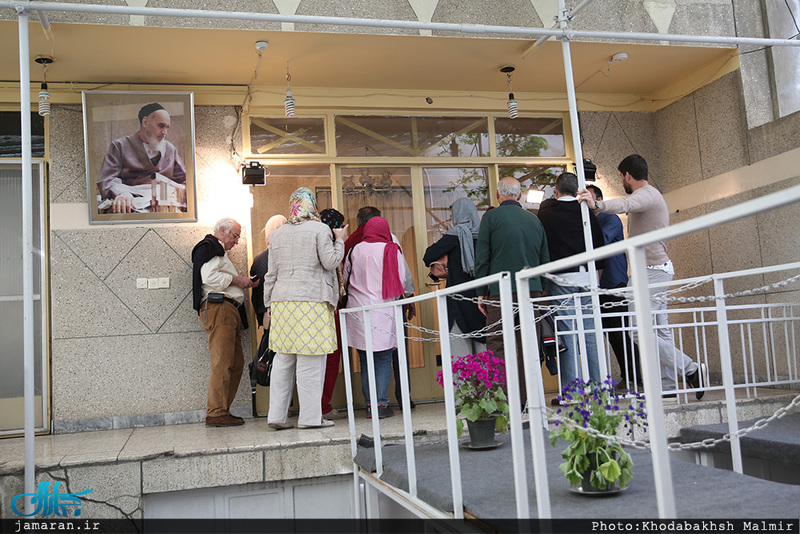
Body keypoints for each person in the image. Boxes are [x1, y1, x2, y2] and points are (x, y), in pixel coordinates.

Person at [577, 154, 705, 399]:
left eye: (620, 176)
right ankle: (668, 387)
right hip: (655, 270)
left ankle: (691, 369)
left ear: (627, 175)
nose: (621, 181)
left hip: (650, 272)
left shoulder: (647, 194)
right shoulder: (651, 195)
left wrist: (597, 205)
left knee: (638, 331)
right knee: (659, 330)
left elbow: (626, 205)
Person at [263, 188, 348, 429]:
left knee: (283, 359)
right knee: (311, 360)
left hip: (282, 303)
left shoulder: (278, 235)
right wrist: (340, 239)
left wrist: (268, 304)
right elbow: (330, 261)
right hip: (312, 301)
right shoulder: (319, 229)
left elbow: (271, 275)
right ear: (312, 205)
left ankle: (276, 416)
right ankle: (310, 418)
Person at [474, 176, 550, 408]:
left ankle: (502, 401)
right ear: (519, 196)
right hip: (532, 290)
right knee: (528, 343)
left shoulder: (491, 217)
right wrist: (540, 288)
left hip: (501, 290)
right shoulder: (534, 220)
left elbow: (482, 256)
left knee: (498, 342)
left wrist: (481, 290)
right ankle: (528, 399)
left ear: (498, 195)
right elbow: (545, 259)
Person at [537, 172, 605, 386]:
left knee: (567, 333)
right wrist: (596, 279)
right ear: (577, 191)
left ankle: (572, 389)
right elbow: (599, 245)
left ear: (556, 190)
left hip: (561, 278)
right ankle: (598, 386)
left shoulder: (546, 212)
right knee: (591, 333)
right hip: (587, 276)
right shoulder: (584, 210)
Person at [345, 206, 417, 410]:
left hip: (358, 311)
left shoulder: (354, 249)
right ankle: (381, 405)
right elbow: (402, 280)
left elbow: (345, 277)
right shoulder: (390, 248)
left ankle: (370, 404)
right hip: (384, 310)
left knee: (365, 359)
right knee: (384, 359)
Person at [191, 217, 257, 427]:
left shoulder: (215, 250)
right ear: (222, 230)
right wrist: (239, 280)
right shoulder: (212, 246)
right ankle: (216, 412)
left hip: (227, 310)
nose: (236, 241)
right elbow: (209, 278)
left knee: (235, 363)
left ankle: (222, 410)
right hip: (220, 308)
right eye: (235, 236)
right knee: (223, 362)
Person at [586, 185, 643, 390]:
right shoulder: (590, 221)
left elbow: (598, 242)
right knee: (611, 334)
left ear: (599, 200)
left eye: (589, 198)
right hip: (599, 285)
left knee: (621, 332)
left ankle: (636, 377)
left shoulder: (610, 218)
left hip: (614, 282)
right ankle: (628, 376)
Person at [423, 197, 486, 358]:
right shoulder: (484, 235)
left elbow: (428, 256)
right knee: (484, 351)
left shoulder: (455, 235)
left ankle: (463, 376)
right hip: (482, 298)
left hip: (458, 300)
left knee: (460, 354)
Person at [97, 103, 187, 214]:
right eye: (161, 126)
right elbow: (107, 180)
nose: (165, 132)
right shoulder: (120, 146)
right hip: (132, 202)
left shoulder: (170, 149)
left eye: (166, 128)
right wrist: (122, 193)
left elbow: (184, 182)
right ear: (145, 122)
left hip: (164, 205)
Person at [318, 208, 348, 420]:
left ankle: (319, 405)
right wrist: (340, 240)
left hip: (317, 305)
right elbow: (332, 263)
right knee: (330, 357)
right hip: (327, 306)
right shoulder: (327, 243)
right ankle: (323, 406)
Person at [250, 215, 287, 328]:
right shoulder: (286, 255)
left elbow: (256, 292)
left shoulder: (258, 259)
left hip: (266, 312)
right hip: (284, 310)